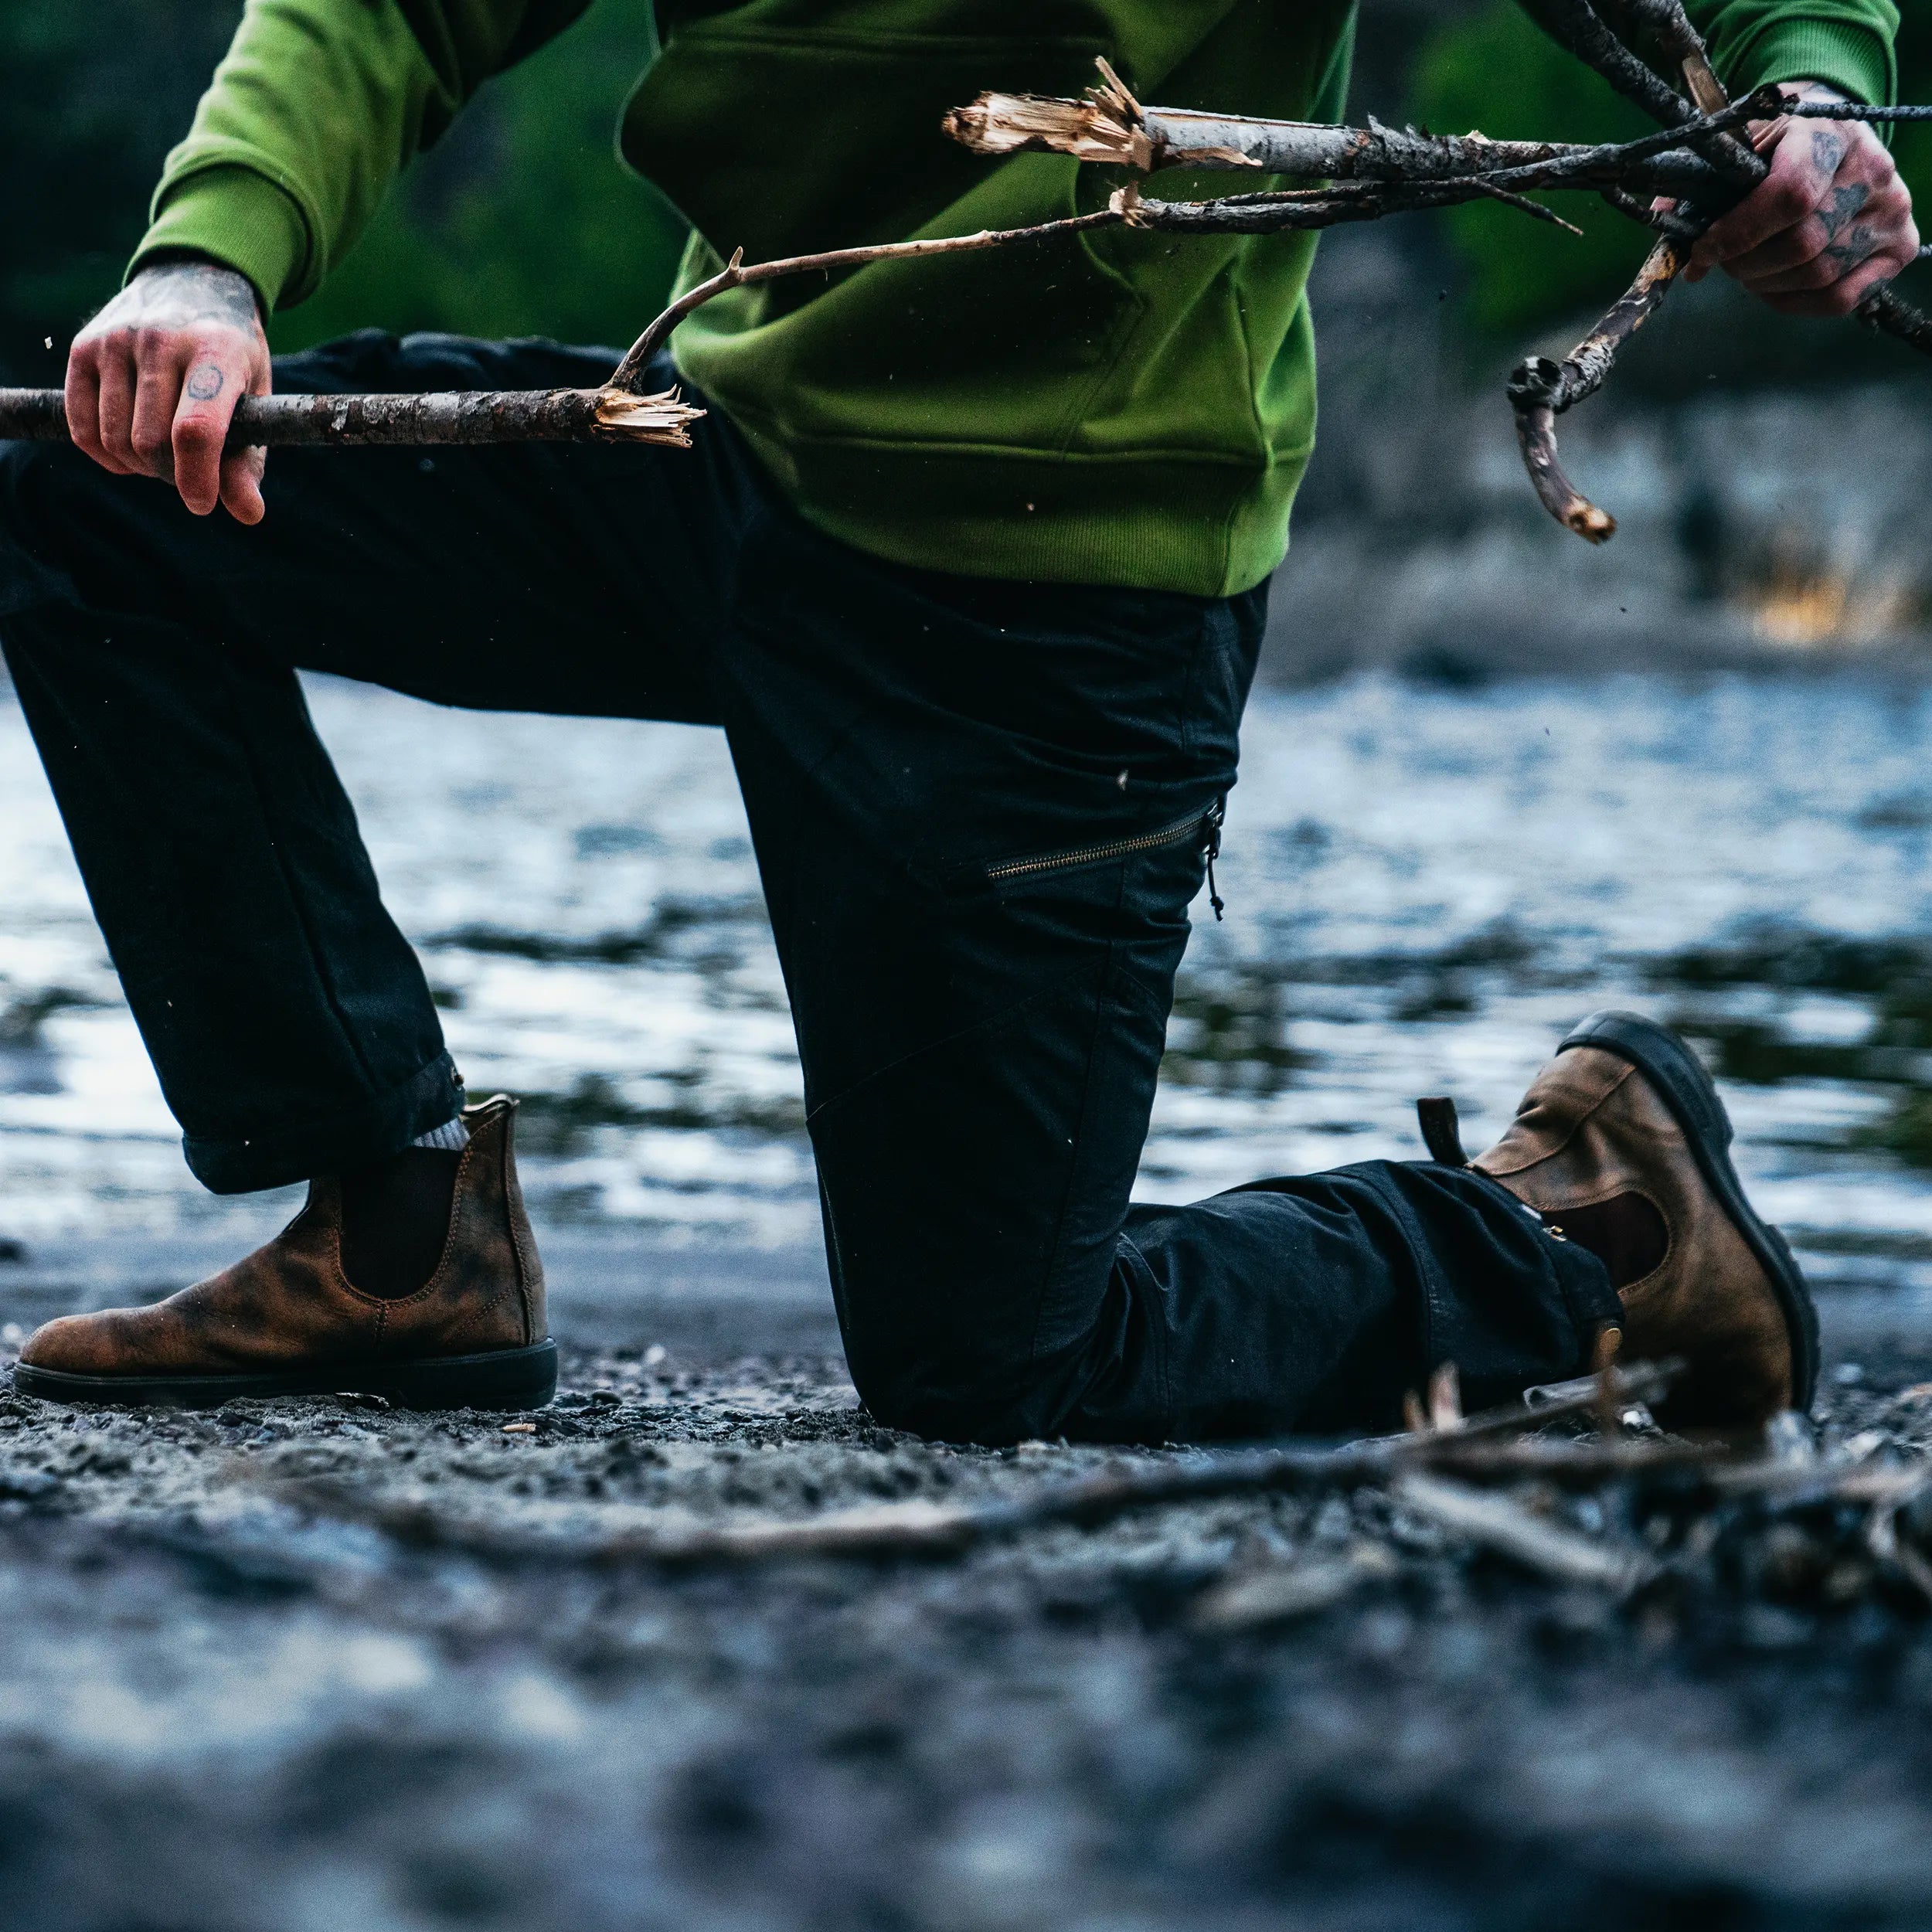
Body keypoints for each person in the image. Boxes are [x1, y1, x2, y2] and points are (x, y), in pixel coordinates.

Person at [0, 0, 1914, 1440]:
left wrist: (1807, 91)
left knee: (992, 1363)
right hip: (713, 446)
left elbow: (1755, 33)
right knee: (88, 509)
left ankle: (1589, 1224)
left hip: (1051, 591)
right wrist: (210, 253)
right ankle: (394, 1239)